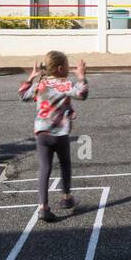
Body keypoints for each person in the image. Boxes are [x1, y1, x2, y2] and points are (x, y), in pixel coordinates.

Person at [19, 51, 89, 222]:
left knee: (44, 168)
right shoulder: (64, 84)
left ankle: (43, 207)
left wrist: (31, 77)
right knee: (65, 164)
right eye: (66, 65)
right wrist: (81, 77)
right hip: (59, 133)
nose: (68, 68)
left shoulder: (41, 84)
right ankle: (66, 197)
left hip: (42, 133)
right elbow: (82, 94)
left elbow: (22, 95)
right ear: (59, 68)